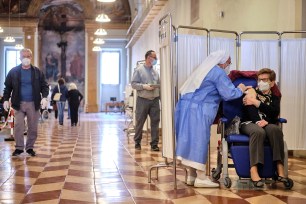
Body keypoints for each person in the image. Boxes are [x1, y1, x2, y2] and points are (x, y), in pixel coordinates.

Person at [175, 50, 250, 188]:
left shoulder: (203, 70)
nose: (229, 65)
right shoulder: (217, 72)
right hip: (199, 110)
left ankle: (192, 176)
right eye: (229, 62)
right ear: (222, 62)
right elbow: (229, 94)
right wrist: (240, 88)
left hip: (185, 108)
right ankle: (201, 177)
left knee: (190, 139)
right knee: (199, 140)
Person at [241, 68, 291, 188]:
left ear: (272, 83)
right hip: (249, 123)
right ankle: (253, 170)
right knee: (258, 132)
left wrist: (257, 104)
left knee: (276, 130)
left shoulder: (275, 97)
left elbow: (274, 112)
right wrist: (259, 121)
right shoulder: (251, 92)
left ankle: (279, 167)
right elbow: (250, 111)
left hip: (267, 123)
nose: (261, 82)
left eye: (265, 80)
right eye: (259, 80)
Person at [2, 48, 49, 157]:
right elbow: (7, 87)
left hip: (33, 103)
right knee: (18, 126)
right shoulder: (13, 71)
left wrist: (45, 97)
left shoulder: (37, 72)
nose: (26, 58)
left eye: (28, 56)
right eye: (24, 56)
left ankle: (29, 148)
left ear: (31, 57)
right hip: (18, 103)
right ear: (20, 58)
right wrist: (5, 99)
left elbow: (44, 86)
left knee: (33, 127)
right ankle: (19, 148)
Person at [131, 50, 160, 151]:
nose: (156, 59)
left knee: (155, 122)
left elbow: (159, 86)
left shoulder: (156, 72)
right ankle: (137, 142)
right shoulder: (139, 70)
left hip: (155, 100)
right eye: (154, 57)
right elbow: (133, 84)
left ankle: (154, 144)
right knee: (140, 121)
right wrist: (144, 86)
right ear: (148, 58)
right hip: (142, 100)